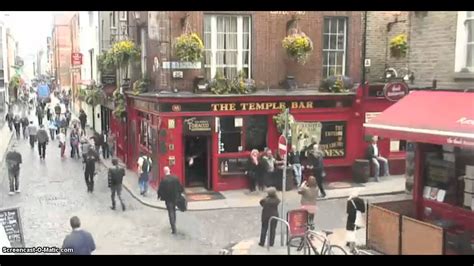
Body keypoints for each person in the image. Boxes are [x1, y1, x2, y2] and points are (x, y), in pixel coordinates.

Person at [157, 166, 184, 234]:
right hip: (175, 197)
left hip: (168, 199)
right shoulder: (175, 178)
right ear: (169, 170)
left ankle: (173, 226)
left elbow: (160, 189)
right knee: (174, 210)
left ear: (164, 171)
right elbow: (180, 187)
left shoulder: (163, 179)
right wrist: (180, 193)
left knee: (170, 211)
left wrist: (159, 195)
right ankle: (174, 223)